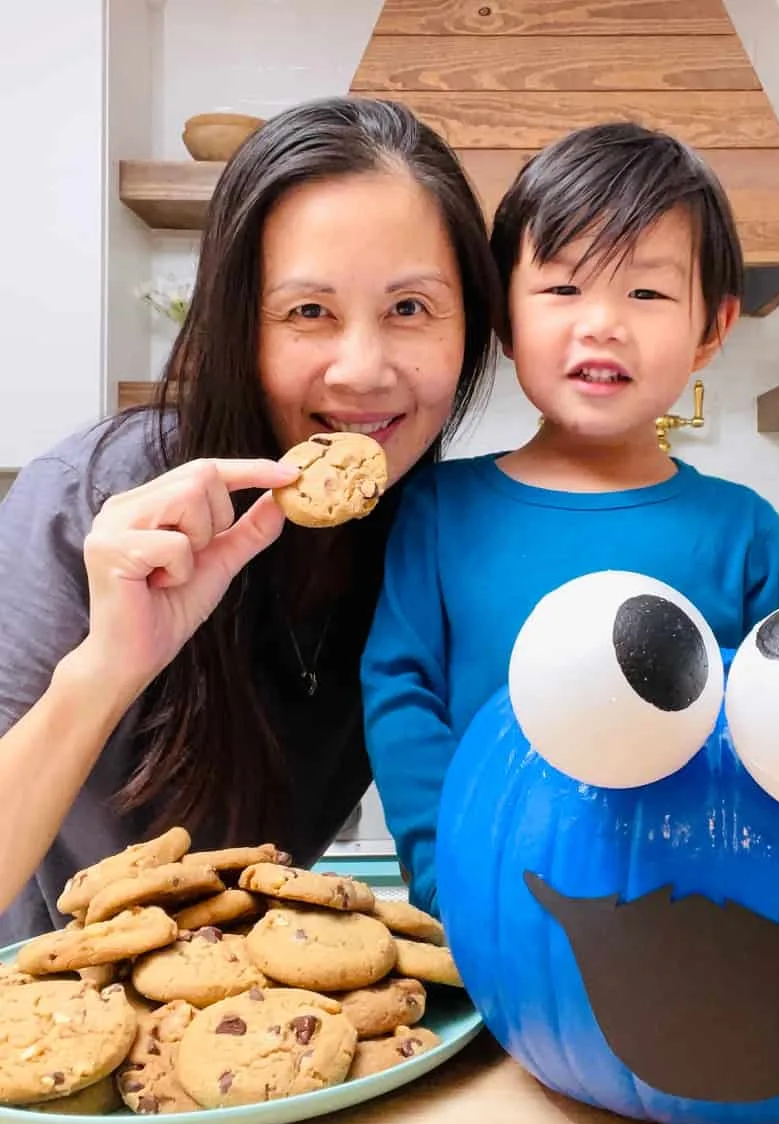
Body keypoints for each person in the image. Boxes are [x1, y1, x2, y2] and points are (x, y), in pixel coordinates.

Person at [0, 96, 503, 942]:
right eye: (309, 311)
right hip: (43, 1012)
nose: (364, 368)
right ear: (239, 326)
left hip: (256, 1030)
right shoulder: (88, 504)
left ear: (472, 329)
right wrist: (110, 665)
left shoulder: (433, 539)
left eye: (410, 308)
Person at [362, 122, 779, 916]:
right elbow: (400, 692)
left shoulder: (742, 530)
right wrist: (443, 864)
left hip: (687, 909)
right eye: (562, 289)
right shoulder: (435, 508)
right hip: (486, 894)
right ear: (502, 313)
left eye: (647, 292)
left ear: (713, 328)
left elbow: (776, 729)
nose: (601, 321)